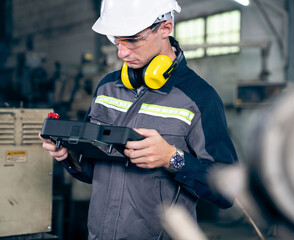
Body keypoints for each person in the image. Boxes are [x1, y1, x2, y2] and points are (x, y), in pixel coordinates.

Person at [40, 0, 238, 239]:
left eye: (132, 39)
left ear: (165, 28)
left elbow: (227, 191)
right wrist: (69, 156)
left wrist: (172, 158)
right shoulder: (107, 88)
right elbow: (93, 172)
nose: (121, 52)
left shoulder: (199, 98)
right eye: (117, 40)